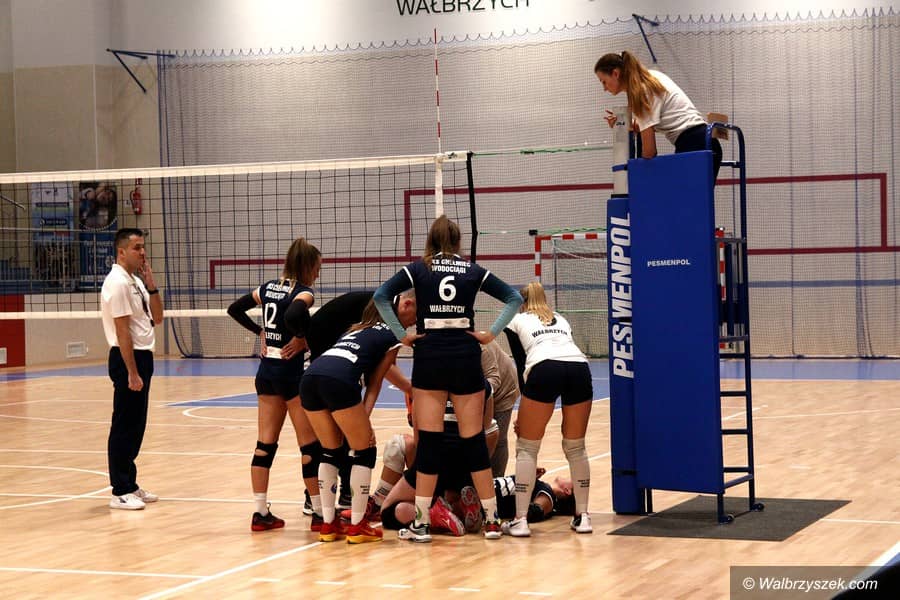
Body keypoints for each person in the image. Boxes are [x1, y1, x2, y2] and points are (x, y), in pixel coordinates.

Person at [373, 214, 523, 542]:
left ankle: (422, 523)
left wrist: (402, 334)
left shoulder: (418, 269)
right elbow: (515, 298)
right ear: (457, 241)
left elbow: (381, 296)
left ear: (430, 240)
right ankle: (492, 521)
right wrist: (490, 333)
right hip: (465, 356)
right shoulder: (472, 270)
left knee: (429, 444)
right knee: (474, 442)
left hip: (430, 357)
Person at [300, 295, 416, 543]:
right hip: (338, 381)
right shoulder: (393, 336)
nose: (415, 320)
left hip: (309, 378)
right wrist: (365, 417)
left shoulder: (355, 329)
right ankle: (357, 525)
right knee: (364, 450)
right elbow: (375, 383)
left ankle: (328, 524)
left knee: (330, 451)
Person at [227, 237, 322, 532]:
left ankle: (260, 512)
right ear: (307, 266)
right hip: (291, 376)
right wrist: (302, 337)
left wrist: (261, 331)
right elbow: (294, 313)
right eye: (317, 268)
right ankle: (320, 514)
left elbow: (234, 309)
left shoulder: (267, 288)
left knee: (264, 444)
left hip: (267, 373)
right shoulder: (304, 293)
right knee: (309, 446)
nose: (318, 274)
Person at [503, 281, 594, 537]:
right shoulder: (561, 319)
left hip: (544, 368)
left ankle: (520, 520)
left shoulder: (515, 320)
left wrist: (523, 412)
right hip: (579, 368)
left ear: (521, 303)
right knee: (576, 447)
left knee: (527, 447)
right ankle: (583, 516)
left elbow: (522, 365)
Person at [101, 228, 164, 510]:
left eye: (143, 246)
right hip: (128, 358)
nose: (142, 252)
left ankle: (130, 483)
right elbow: (122, 331)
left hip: (143, 356)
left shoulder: (135, 281)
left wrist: (152, 286)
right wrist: (132, 372)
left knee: (137, 425)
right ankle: (120, 490)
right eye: (137, 247)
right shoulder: (116, 283)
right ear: (121, 251)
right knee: (124, 425)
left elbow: (158, 318)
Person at [594, 51, 722, 183]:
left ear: (615, 73)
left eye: (604, 82)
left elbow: (649, 151)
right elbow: (645, 125)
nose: (604, 88)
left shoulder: (640, 90)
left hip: (694, 146)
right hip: (706, 142)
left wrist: (640, 175)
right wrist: (622, 123)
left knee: (680, 195)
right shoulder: (649, 77)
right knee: (692, 196)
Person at [482, 340, 519, 477]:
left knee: (498, 438)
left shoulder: (482, 347)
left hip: (504, 390)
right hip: (477, 391)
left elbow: (493, 380)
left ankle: (497, 479)